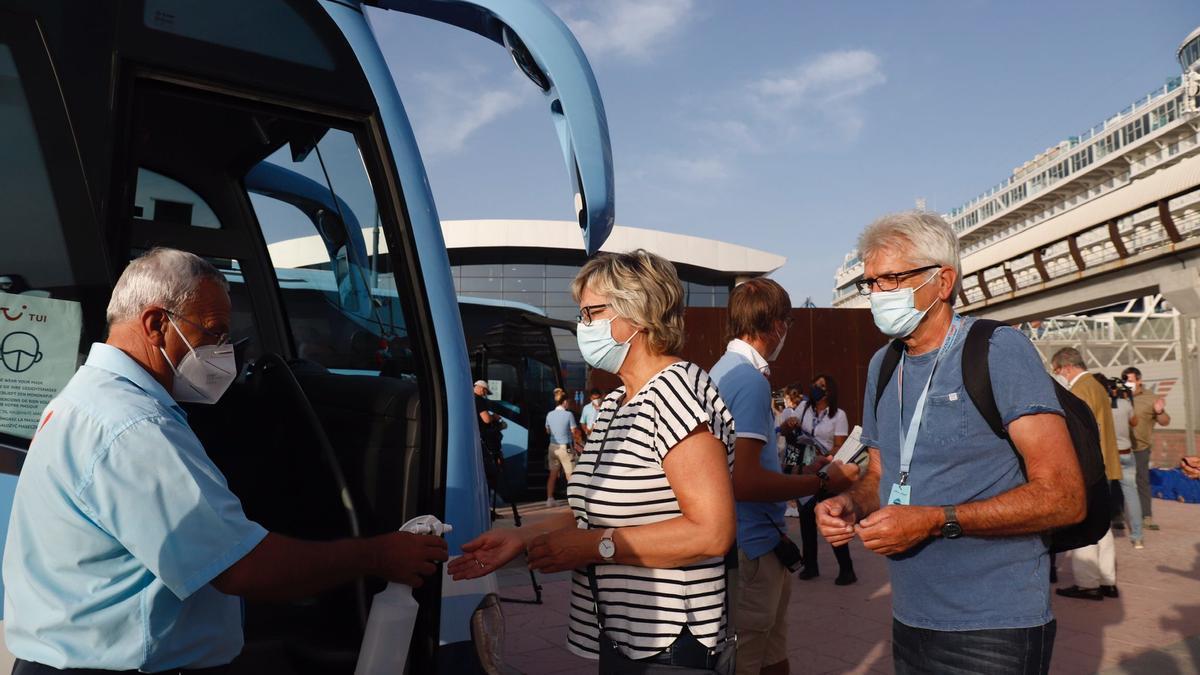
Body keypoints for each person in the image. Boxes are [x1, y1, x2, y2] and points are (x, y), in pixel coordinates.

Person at [2, 248, 447, 674]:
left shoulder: (90, 400)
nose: (223, 351)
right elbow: (242, 568)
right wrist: (378, 555)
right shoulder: (134, 426)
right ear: (156, 323)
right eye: (212, 333)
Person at [817, 211, 1085, 675]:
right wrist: (850, 502)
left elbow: (1064, 496)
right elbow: (879, 473)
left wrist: (933, 522)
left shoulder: (998, 350)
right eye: (871, 283)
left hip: (994, 627)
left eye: (892, 279)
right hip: (910, 619)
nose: (878, 294)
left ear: (942, 282)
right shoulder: (884, 365)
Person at [449, 250, 737, 670]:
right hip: (623, 634)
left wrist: (592, 547)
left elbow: (712, 533)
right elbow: (594, 509)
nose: (583, 326)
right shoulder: (619, 401)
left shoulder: (676, 393)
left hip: (670, 642)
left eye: (591, 313)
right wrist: (520, 536)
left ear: (639, 312)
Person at [709, 277, 857, 675]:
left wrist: (801, 472)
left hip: (749, 543)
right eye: (787, 323)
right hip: (753, 546)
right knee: (751, 657)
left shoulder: (722, 370)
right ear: (775, 325)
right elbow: (746, 481)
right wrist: (823, 482)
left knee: (772, 653)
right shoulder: (749, 380)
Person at [1050, 349, 1122, 601]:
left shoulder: (1078, 391)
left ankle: (1087, 582)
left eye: (1057, 371)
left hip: (1088, 467)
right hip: (1105, 462)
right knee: (1103, 525)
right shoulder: (1098, 387)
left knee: (1084, 523)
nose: (1058, 376)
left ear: (1066, 367)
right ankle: (1107, 579)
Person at [791, 374, 856, 586]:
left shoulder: (839, 415)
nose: (815, 388)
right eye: (814, 384)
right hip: (807, 469)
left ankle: (846, 569)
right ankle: (810, 565)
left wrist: (826, 457)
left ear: (829, 392)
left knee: (832, 516)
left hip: (828, 470)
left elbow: (839, 445)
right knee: (806, 518)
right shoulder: (803, 409)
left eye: (821, 386)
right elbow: (789, 431)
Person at [1122, 366, 1171, 531]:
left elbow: (1165, 421)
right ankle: (1117, 516)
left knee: (1142, 480)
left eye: (1130, 380)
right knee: (1117, 481)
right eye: (1125, 380)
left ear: (1139, 380)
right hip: (1120, 446)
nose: (1127, 384)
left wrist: (1160, 411)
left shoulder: (1151, 398)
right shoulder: (1119, 397)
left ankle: (1146, 517)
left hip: (1140, 447)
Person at [1106, 376, 1143, 548]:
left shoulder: (1102, 404)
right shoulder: (1125, 404)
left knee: (1103, 495)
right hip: (1126, 453)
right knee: (1132, 495)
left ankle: (1103, 535)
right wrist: (1129, 402)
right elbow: (1134, 422)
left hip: (1108, 455)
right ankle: (1137, 537)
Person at [544, 391, 582, 507]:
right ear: (565, 402)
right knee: (570, 474)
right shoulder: (568, 415)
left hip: (552, 447)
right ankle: (573, 500)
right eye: (568, 402)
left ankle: (549, 499)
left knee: (553, 474)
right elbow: (574, 431)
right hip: (565, 448)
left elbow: (548, 431)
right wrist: (579, 443)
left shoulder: (549, 414)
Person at [474, 380, 504, 492]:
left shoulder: (469, 398)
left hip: (477, 436)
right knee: (490, 468)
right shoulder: (479, 400)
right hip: (484, 438)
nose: (486, 395)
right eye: (486, 392)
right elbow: (486, 419)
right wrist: (494, 417)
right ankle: (490, 494)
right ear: (482, 389)